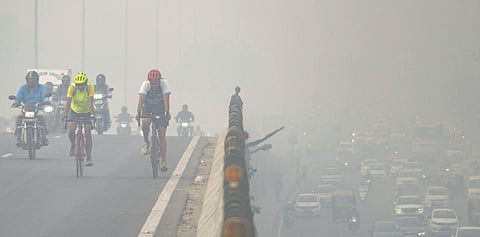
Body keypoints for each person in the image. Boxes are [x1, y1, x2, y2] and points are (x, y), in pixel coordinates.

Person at [136, 69, 171, 171]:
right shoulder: (145, 85)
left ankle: (163, 162)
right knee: (145, 123)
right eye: (153, 83)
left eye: (156, 83)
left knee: (162, 133)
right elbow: (141, 100)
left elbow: (166, 99)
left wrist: (167, 112)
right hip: (148, 107)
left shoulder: (164, 84)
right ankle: (147, 142)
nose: (154, 85)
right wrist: (138, 113)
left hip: (160, 108)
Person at [63, 72, 95, 166]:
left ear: (85, 84)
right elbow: (68, 103)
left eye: (82, 85)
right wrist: (65, 114)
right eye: (78, 85)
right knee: (71, 131)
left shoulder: (90, 88)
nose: (80, 87)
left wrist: (92, 116)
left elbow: (90, 102)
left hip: (87, 111)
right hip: (74, 111)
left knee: (88, 133)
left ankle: (88, 157)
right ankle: (74, 145)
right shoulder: (72, 88)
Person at [11, 71, 50, 146]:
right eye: (30, 80)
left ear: (37, 80)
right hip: (25, 109)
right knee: (19, 117)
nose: (32, 82)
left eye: (34, 80)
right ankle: (19, 137)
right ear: (27, 80)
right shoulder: (23, 88)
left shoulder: (41, 88)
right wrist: (16, 102)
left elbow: (45, 96)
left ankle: (44, 136)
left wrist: (46, 101)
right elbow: (18, 97)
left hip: (38, 108)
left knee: (42, 116)